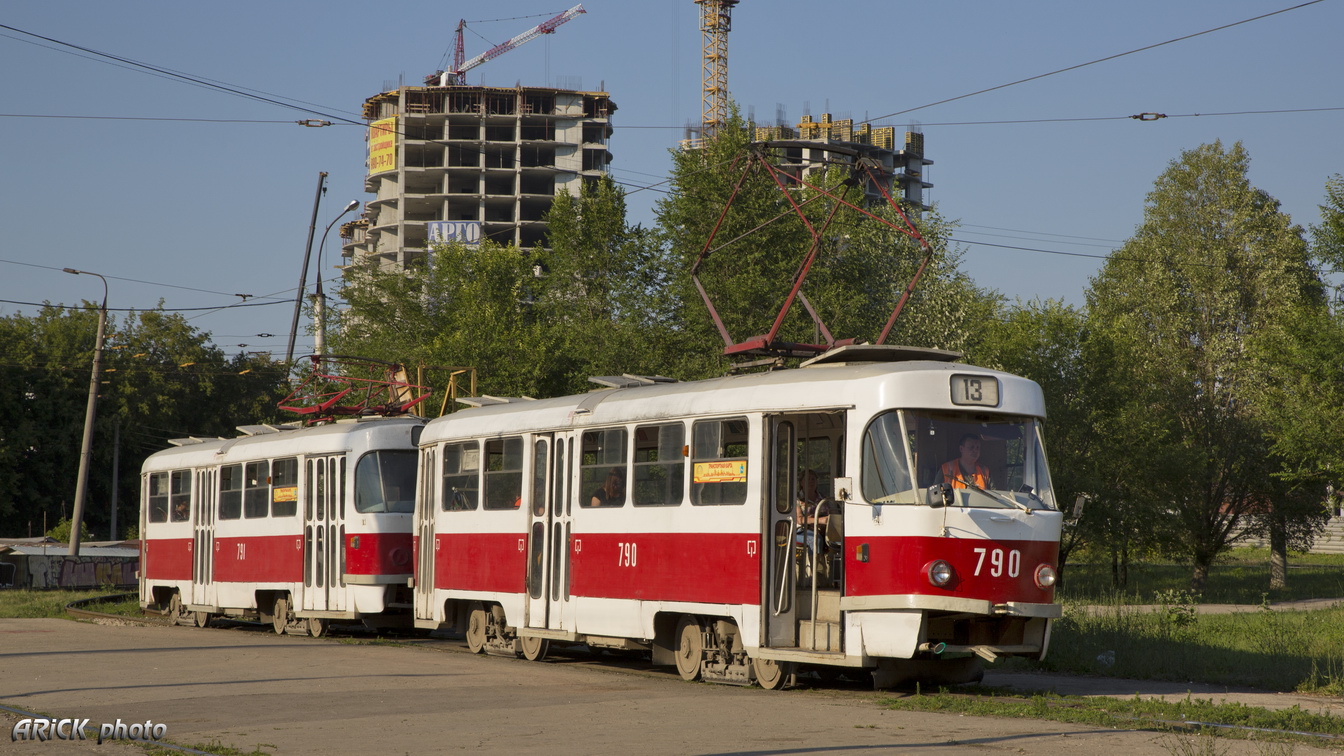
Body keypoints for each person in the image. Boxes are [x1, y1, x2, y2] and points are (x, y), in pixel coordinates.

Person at [795, 469, 830, 554]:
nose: (811, 481)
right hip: (801, 531)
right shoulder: (797, 498)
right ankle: (815, 562)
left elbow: (831, 513)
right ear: (801, 483)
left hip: (823, 529)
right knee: (815, 539)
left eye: (813, 479)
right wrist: (820, 520)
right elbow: (799, 519)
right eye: (807, 479)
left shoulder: (823, 498)